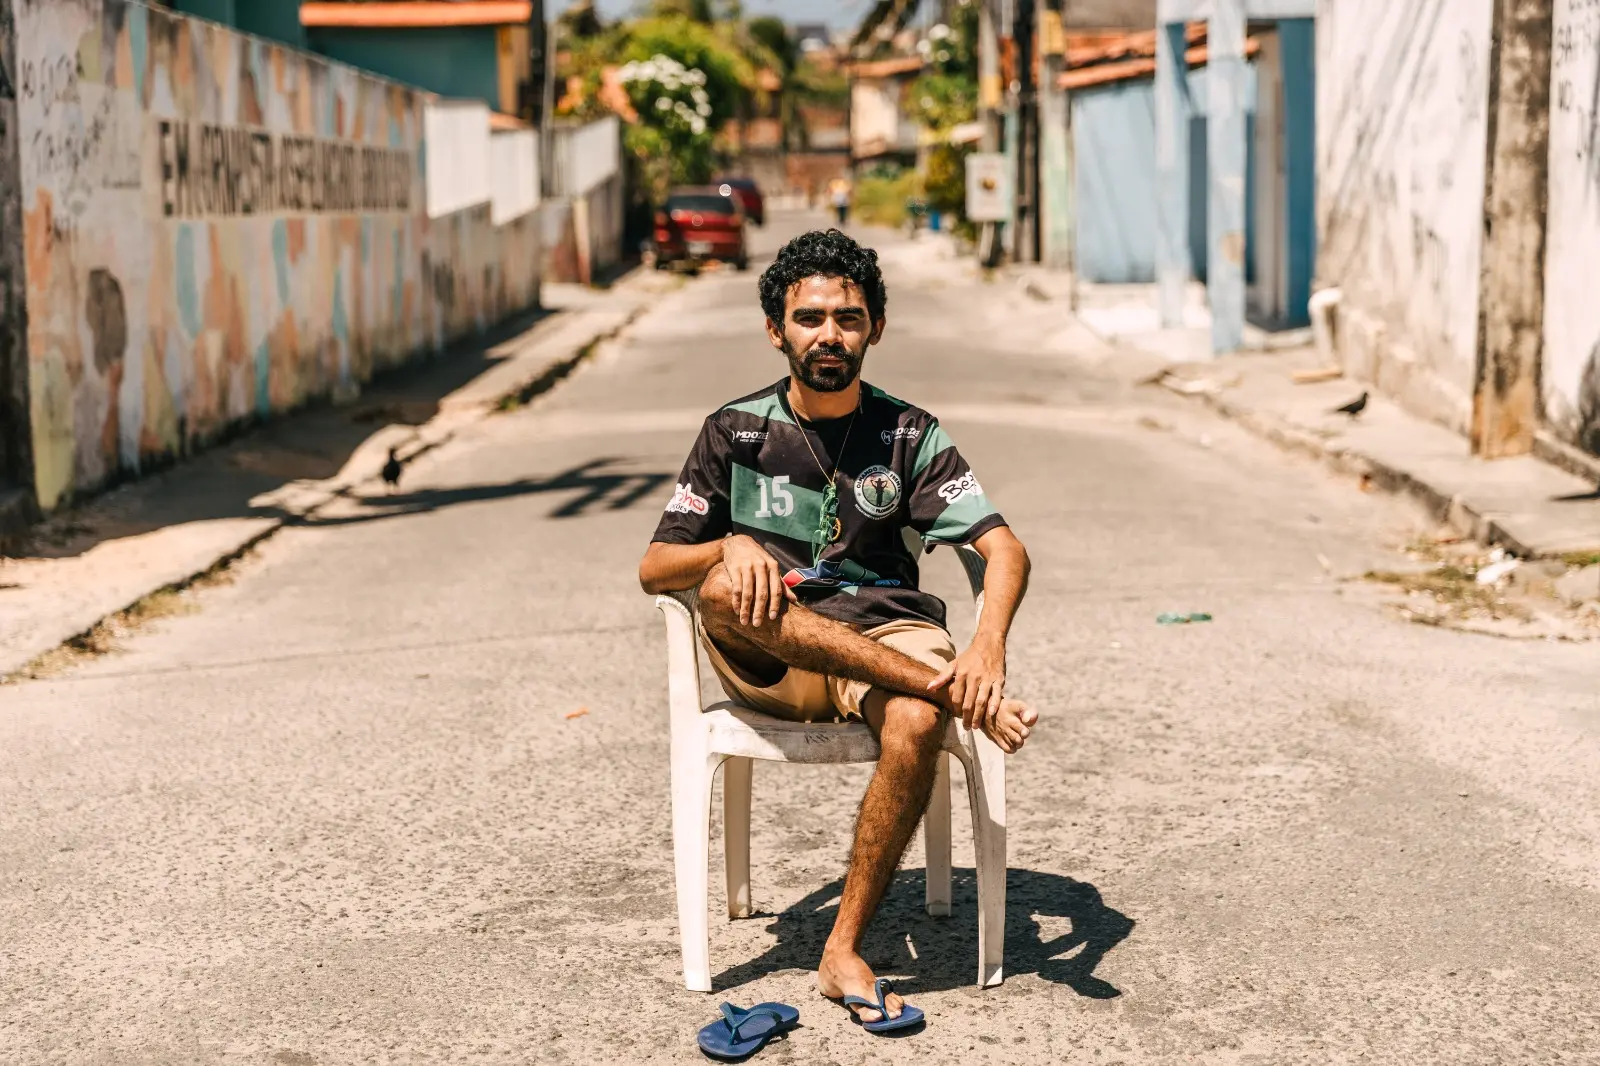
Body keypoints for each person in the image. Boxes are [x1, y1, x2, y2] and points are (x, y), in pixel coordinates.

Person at [639, 229, 1037, 1028]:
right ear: (776, 330)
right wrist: (727, 544)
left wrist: (987, 648)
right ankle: (947, 690)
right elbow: (655, 567)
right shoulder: (735, 431)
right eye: (810, 318)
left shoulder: (908, 433)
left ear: (874, 329)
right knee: (722, 588)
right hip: (775, 653)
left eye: (848, 319)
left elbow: (1005, 549)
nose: (830, 334)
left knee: (917, 720)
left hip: (885, 635)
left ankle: (842, 950)